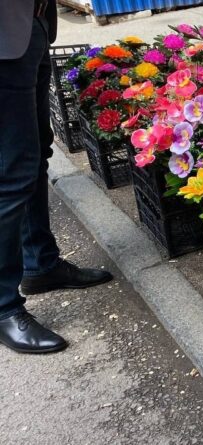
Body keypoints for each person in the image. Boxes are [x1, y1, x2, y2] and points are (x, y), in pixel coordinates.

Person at [0, 0, 114, 354]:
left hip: (31, 25)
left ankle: (40, 264)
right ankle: (3, 308)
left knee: (35, 157)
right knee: (10, 173)